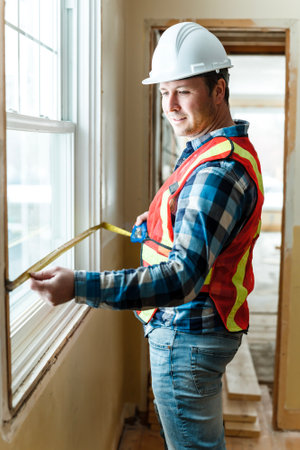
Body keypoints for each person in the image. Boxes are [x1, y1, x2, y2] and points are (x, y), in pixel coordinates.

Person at [30, 22, 264, 450]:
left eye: (184, 91)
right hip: (201, 330)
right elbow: (196, 220)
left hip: (187, 335)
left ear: (219, 89)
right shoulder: (212, 147)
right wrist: (159, 221)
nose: (170, 106)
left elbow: (181, 278)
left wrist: (78, 286)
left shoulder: (217, 171)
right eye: (162, 92)